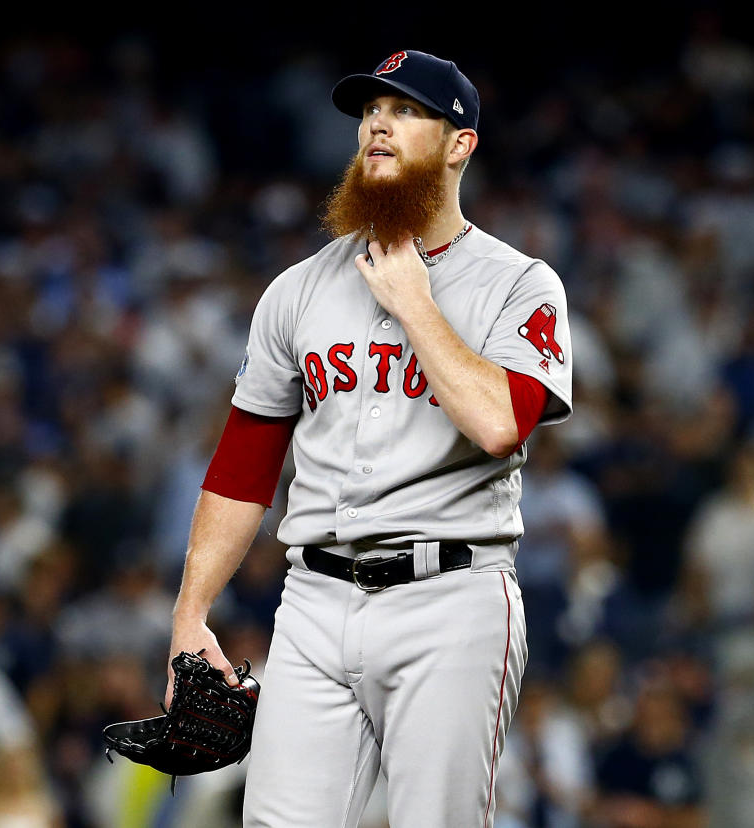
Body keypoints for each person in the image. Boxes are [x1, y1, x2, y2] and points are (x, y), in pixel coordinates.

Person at [165, 49, 573, 827]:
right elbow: (244, 468)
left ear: (461, 144)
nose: (379, 124)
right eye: (369, 111)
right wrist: (191, 615)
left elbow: (498, 424)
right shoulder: (299, 288)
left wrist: (417, 305)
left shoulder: (518, 283)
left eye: (408, 110)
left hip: (450, 599)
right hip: (313, 599)